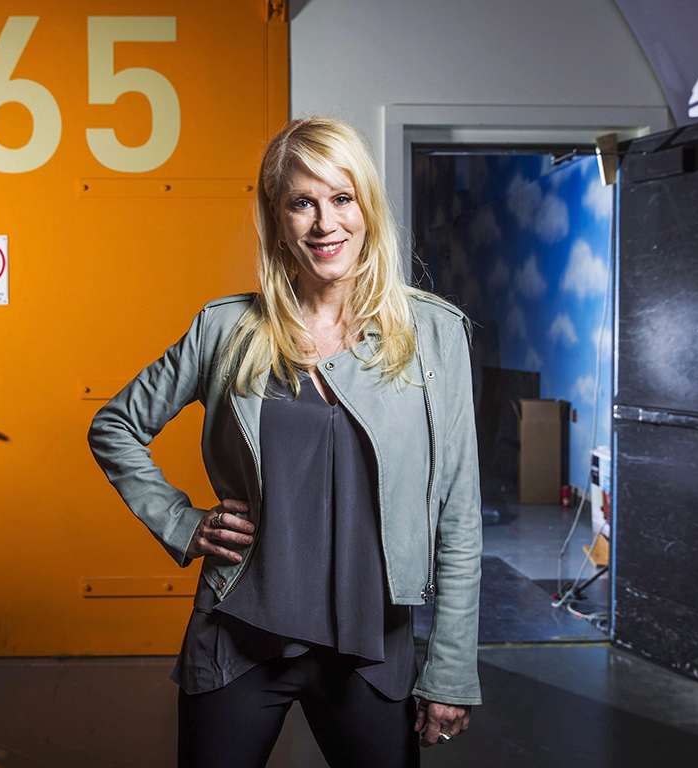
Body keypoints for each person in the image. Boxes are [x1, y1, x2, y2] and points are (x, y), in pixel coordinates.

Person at [89, 116, 481, 768]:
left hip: (371, 648)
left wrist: (453, 668)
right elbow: (115, 426)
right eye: (302, 202)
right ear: (277, 218)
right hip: (240, 638)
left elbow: (459, 512)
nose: (325, 223)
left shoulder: (434, 335)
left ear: (367, 207)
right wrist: (180, 522)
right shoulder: (226, 330)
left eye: (341, 198)